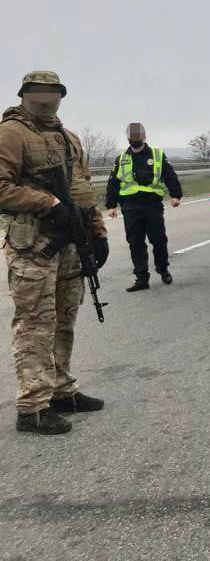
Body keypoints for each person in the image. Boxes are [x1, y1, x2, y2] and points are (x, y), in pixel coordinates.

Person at [0, 71, 109, 435]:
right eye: (38, 93)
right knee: (36, 322)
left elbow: (82, 188)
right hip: (33, 244)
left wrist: (97, 231)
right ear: (25, 95)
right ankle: (32, 407)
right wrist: (47, 202)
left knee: (64, 318)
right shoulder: (11, 133)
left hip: (71, 243)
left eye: (53, 92)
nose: (46, 99)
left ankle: (61, 390)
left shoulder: (68, 137)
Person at [105, 123, 182, 291]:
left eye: (137, 136)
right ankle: (141, 278)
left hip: (152, 205)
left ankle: (163, 269)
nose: (135, 139)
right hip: (131, 206)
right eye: (132, 136)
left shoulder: (157, 155)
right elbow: (113, 182)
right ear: (128, 138)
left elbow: (170, 175)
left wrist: (176, 195)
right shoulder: (122, 159)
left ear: (144, 136)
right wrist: (110, 205)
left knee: (159, 240)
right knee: (135, 243)